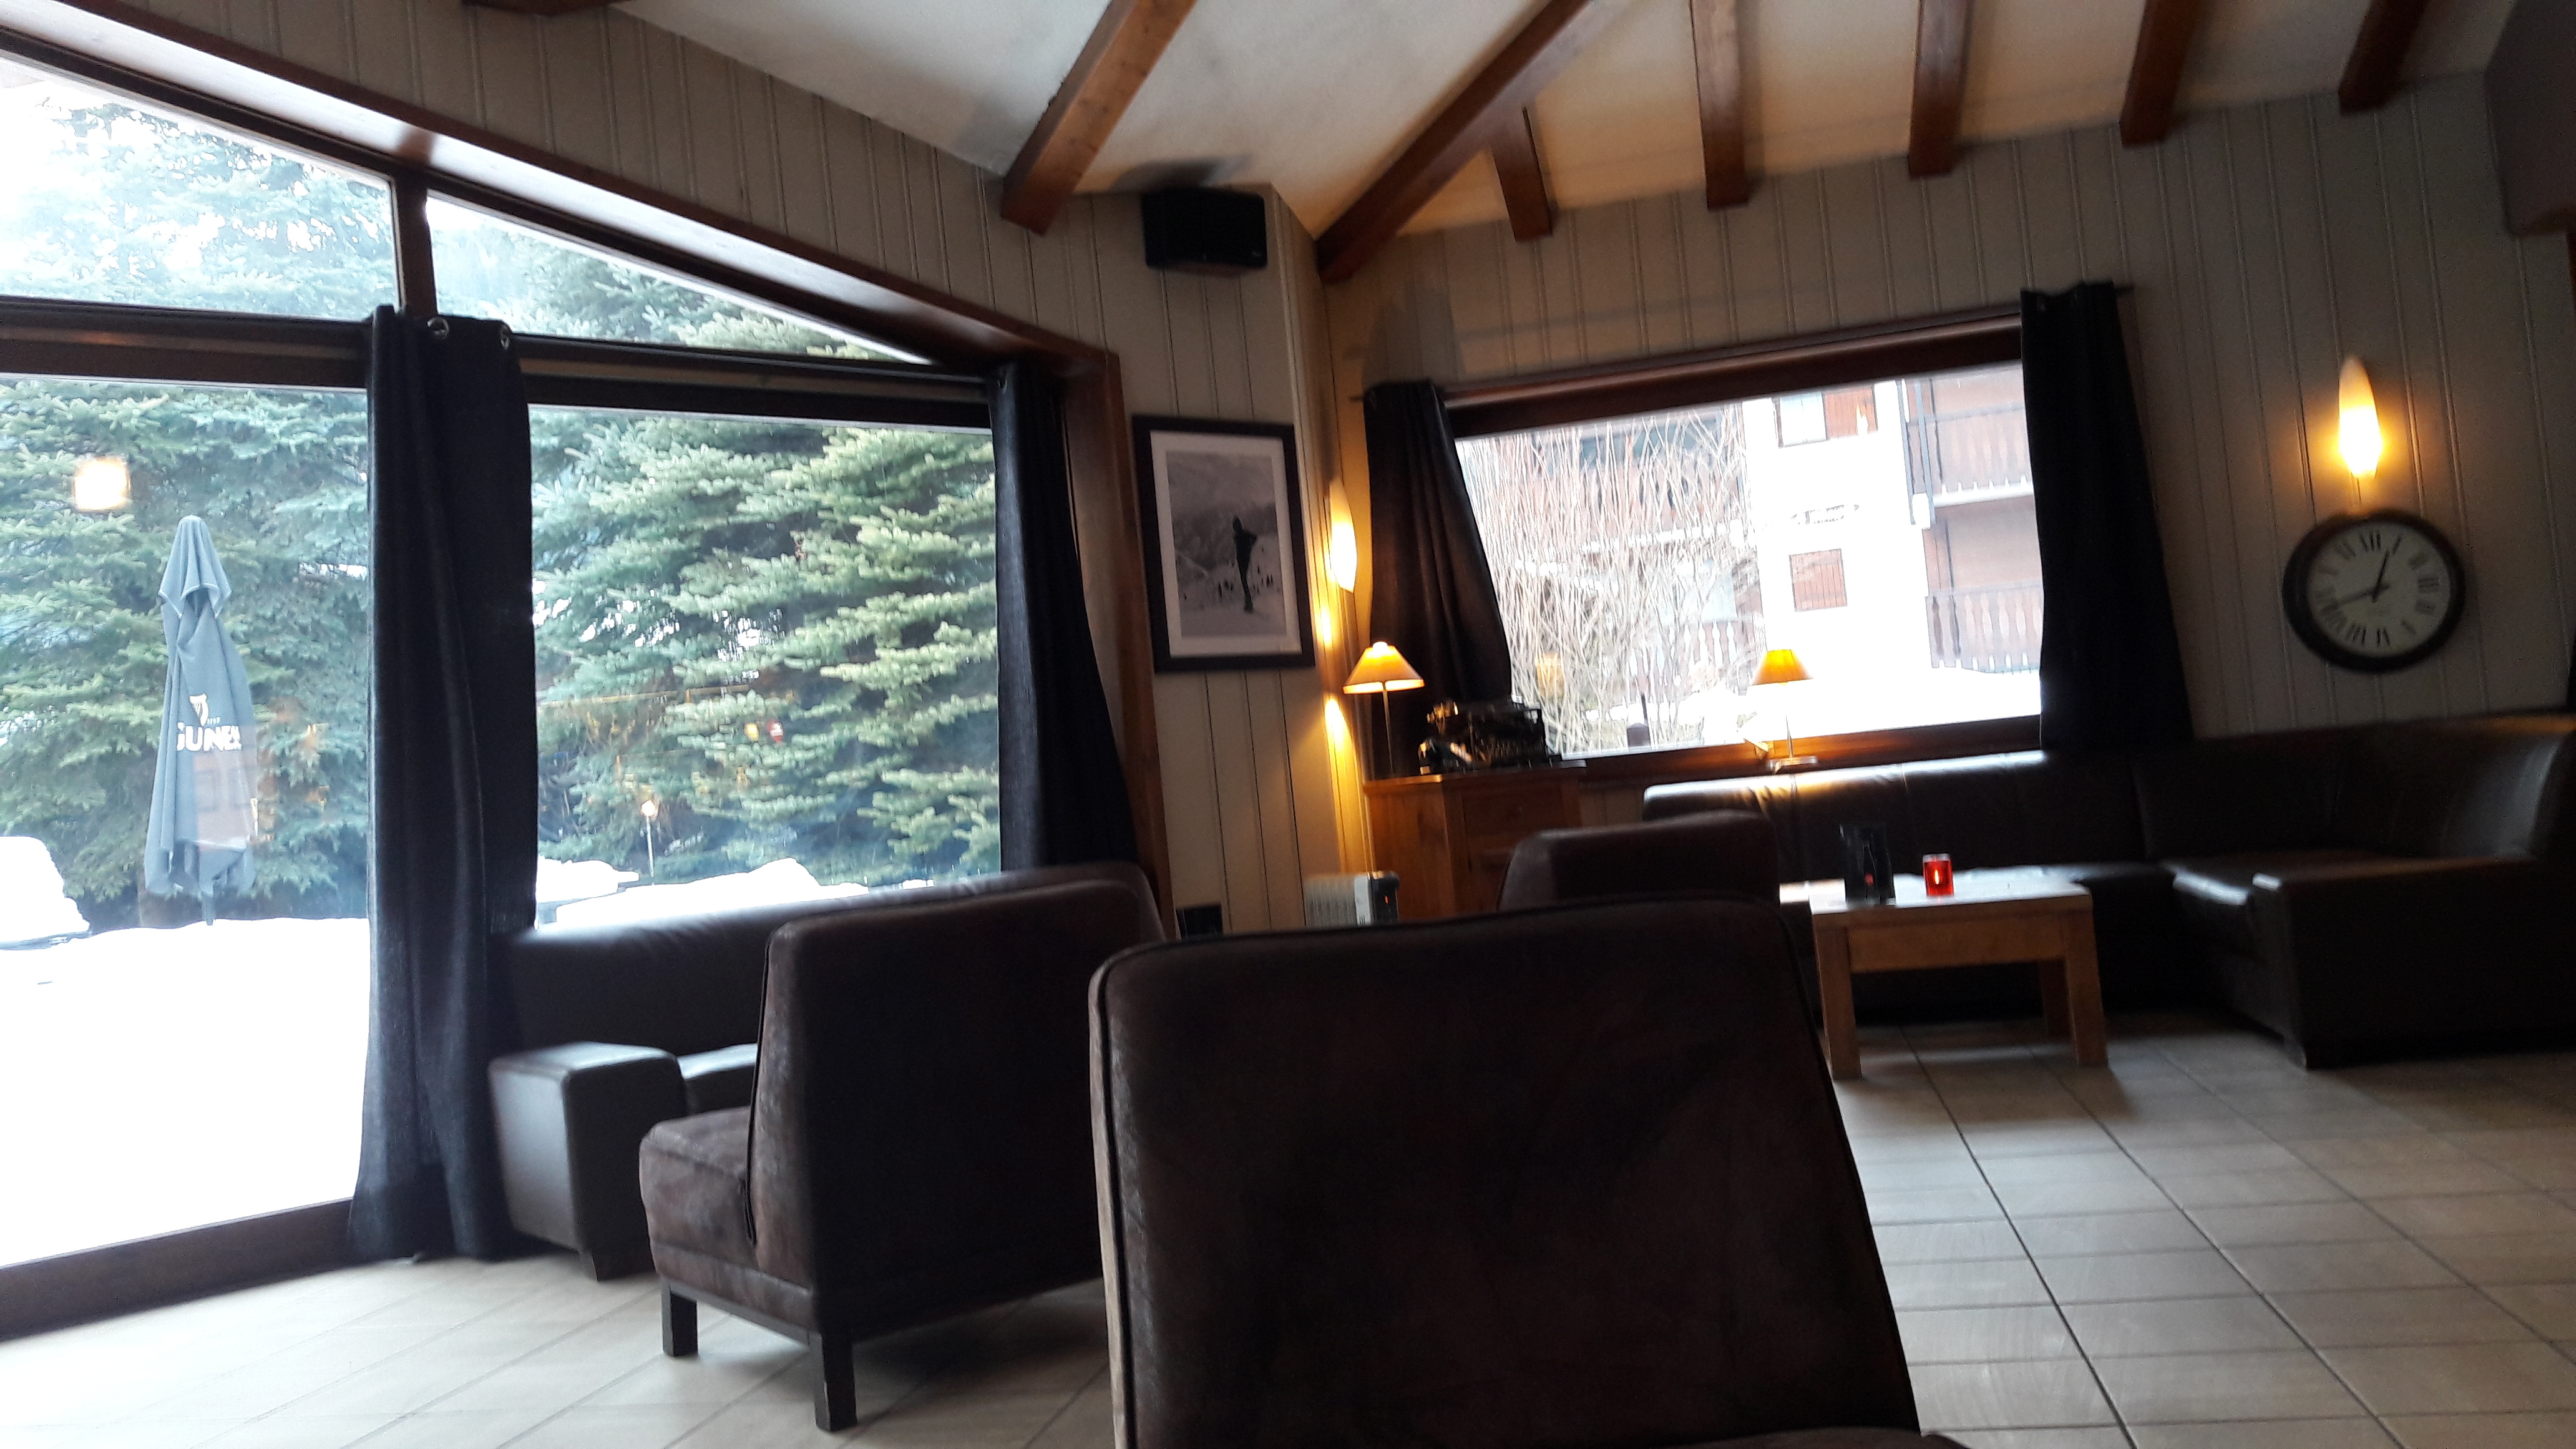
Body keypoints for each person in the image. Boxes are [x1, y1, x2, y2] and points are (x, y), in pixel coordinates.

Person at [1229, 515, 1258, 614]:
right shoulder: (1244, 534)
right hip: (1245, 558)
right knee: (1244, 580)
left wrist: (1249, 546)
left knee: (1244, 580)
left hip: (1242, 559)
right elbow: (1255, 538)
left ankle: (1249, 602)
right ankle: (1248, 602)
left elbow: (1239, 548)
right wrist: (1250, 546)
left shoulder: (1238, 536)